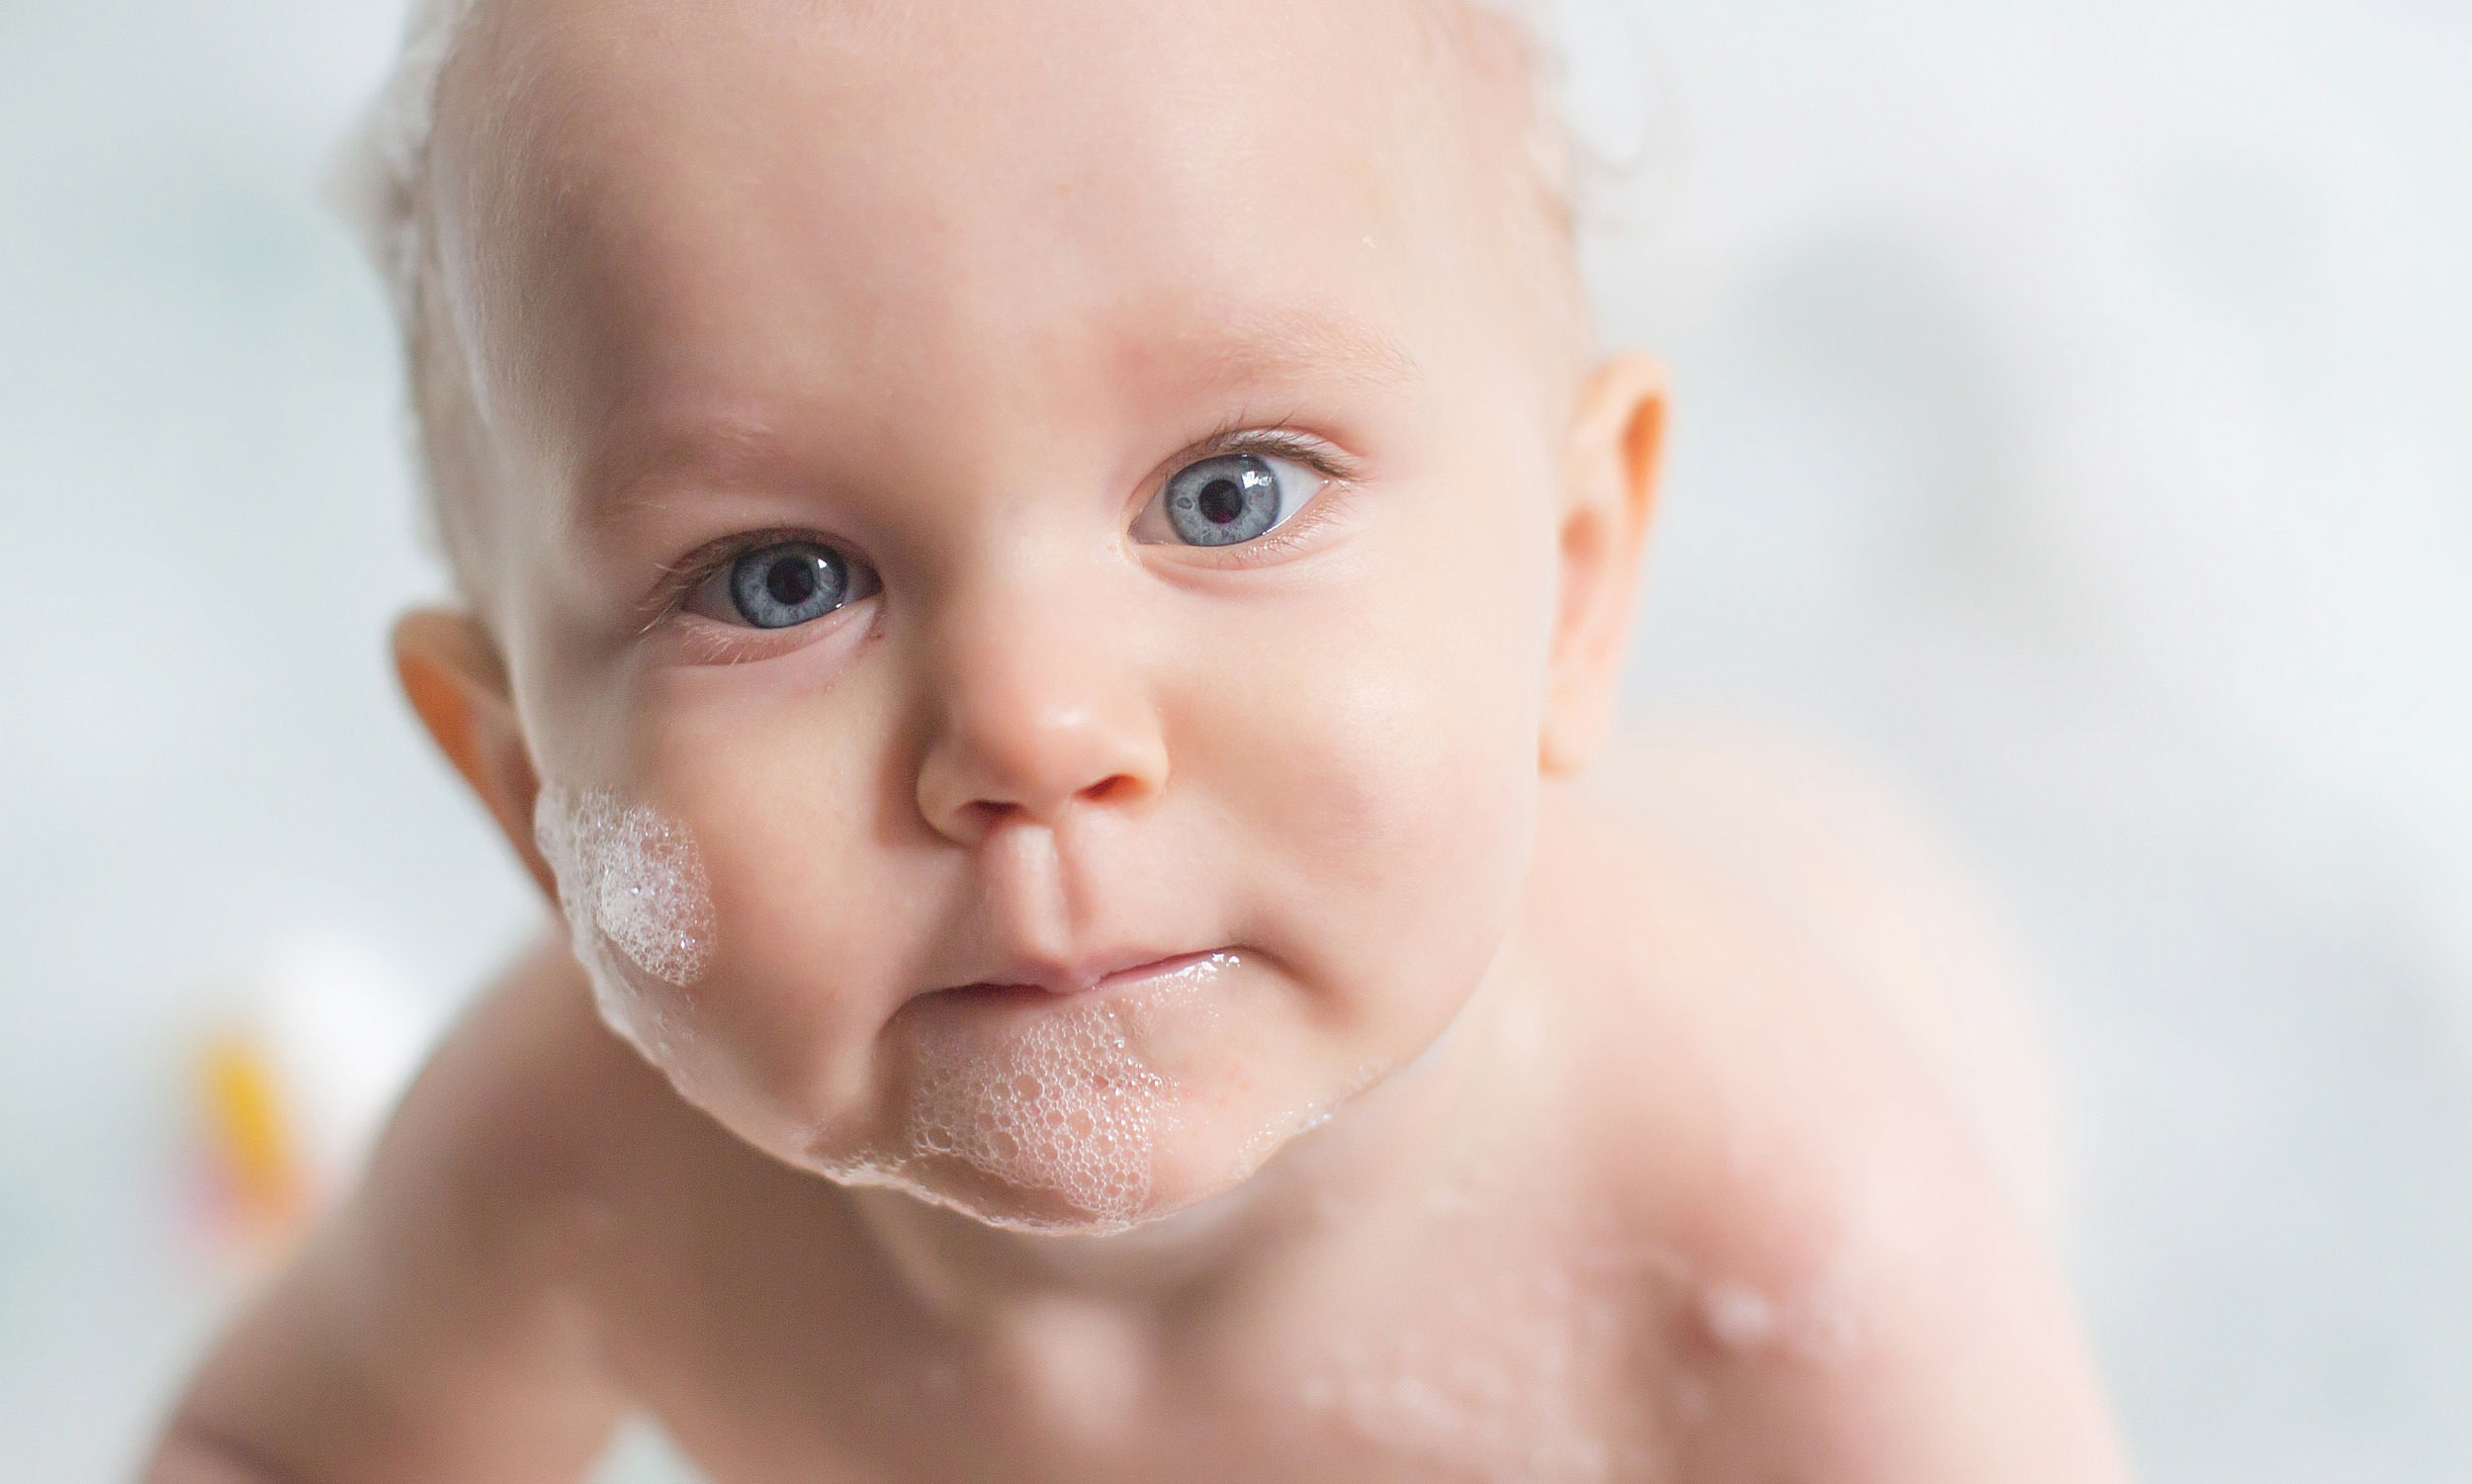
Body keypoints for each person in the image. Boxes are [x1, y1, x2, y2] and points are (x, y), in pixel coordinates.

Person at [146, 0, 2129, 1477]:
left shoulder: (1774, 1228)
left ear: (1574, 584)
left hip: (1825, 911)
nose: (1031, 723)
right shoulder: (570, 1160)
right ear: (526, 796)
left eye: (1228, 493)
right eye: (775, 581)